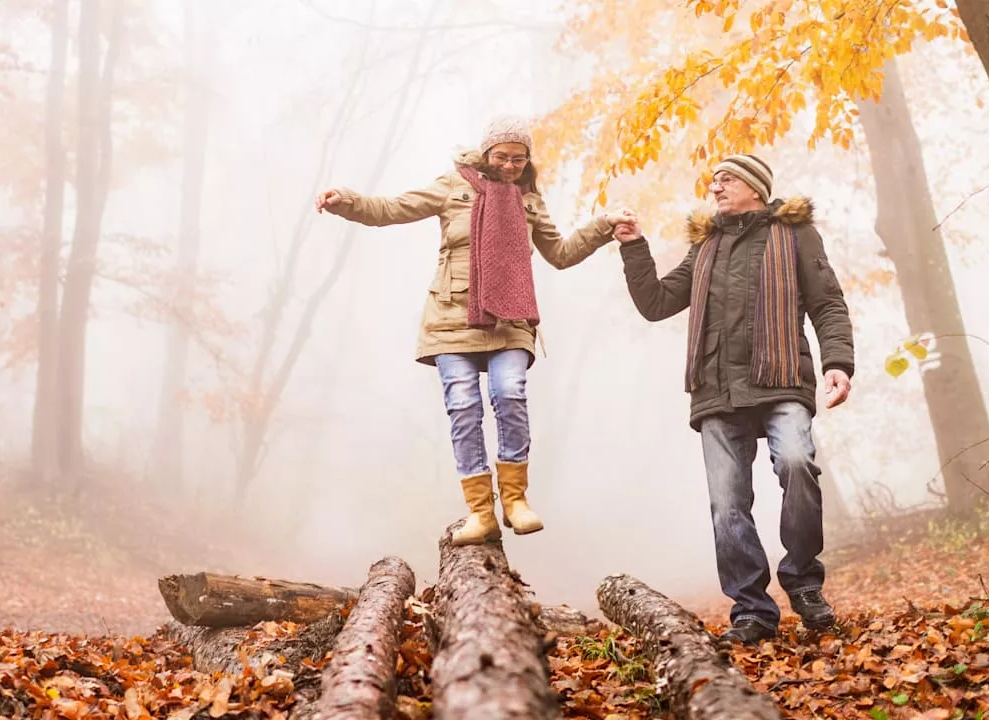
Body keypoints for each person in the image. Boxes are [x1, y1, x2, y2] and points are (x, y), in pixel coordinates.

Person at [315, 115, 633, 547]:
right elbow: (391, 209)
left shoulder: (529, 201)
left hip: (511, 318)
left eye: (518, 159)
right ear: (486, 154)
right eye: (501, 156)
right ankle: (480, 512)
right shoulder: (452, 186)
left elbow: (559, 254)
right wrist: (345, 200)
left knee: (510, 391)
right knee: (463, 405)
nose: (509, 166)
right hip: (452, 315)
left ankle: (516, 501)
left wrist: (603, 225)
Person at [609, 153, 855, 644]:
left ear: (755, 187)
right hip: (716, 390)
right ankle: (752, 609)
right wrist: (635, 248)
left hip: (781, 377)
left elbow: (827, 301)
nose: (716, 186)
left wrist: (838, 363)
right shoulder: (705, 245)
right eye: (713, 180)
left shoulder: (795, 234)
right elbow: (657, 303)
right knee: (727, 504)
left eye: (726, 178)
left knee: (796, 463)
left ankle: (804, 581)